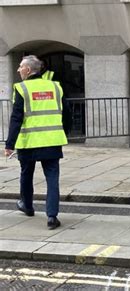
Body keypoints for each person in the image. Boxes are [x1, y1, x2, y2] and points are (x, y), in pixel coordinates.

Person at [4, 55, 70, 229]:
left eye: (20, 67)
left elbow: (16, 118)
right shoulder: (55, 87)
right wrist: (65, 132)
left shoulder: (22, 88)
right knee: (52, 179)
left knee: (26, 174)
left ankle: (27, 205)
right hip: (52, 141)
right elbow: (66, 112)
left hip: (29, 142)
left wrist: (9, 144)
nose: (18, 70)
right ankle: (52, 217)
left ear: (27, 69)